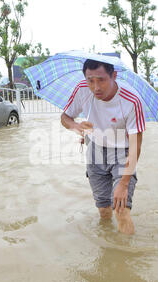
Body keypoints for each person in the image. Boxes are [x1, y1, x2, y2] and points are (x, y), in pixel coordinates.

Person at [60, 59, 145, 235]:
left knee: (121, 210)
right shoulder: (82, 90)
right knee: (104, 210)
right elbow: (65, 117)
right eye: (90, 80)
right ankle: (107, 246)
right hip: (94, 149)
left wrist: (124, 183)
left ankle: (126, 257)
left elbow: (136, 145)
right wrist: (75, 127)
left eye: (101, 80)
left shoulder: (132, 100)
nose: (96, 87)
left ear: (114, 76)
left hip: (122, 150)